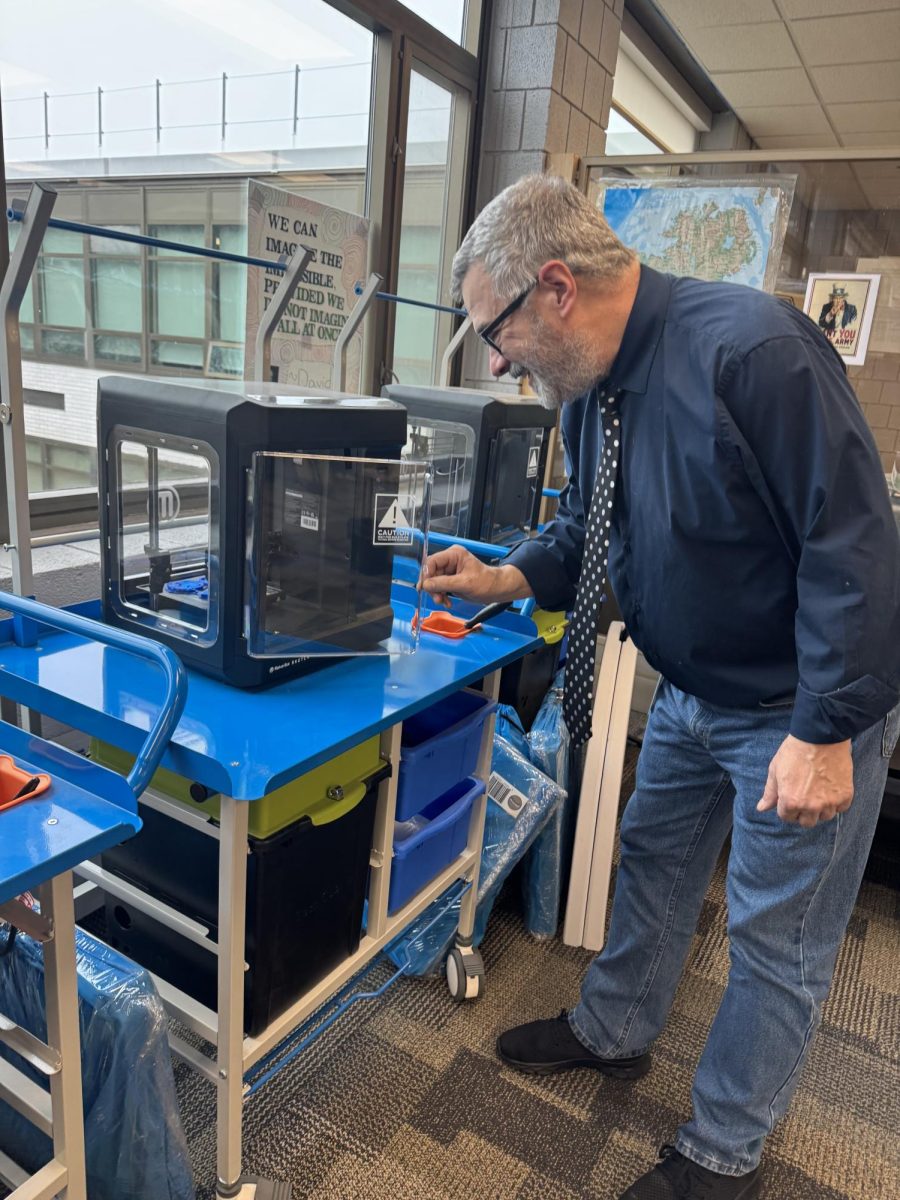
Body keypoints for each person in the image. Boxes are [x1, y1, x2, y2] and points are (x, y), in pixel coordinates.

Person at [421, 174, 900, 1200]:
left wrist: (824, 731)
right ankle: (613, 1029)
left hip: (796, 710)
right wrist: (508, 575)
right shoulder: (594, 393)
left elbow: (853, 544)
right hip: (690, 692)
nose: (497, 362)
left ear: (554, 286)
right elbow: (595, 530)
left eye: (494, 332)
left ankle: (725, 1151)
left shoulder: (754, 351)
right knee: (652, 864)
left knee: (779, 936)